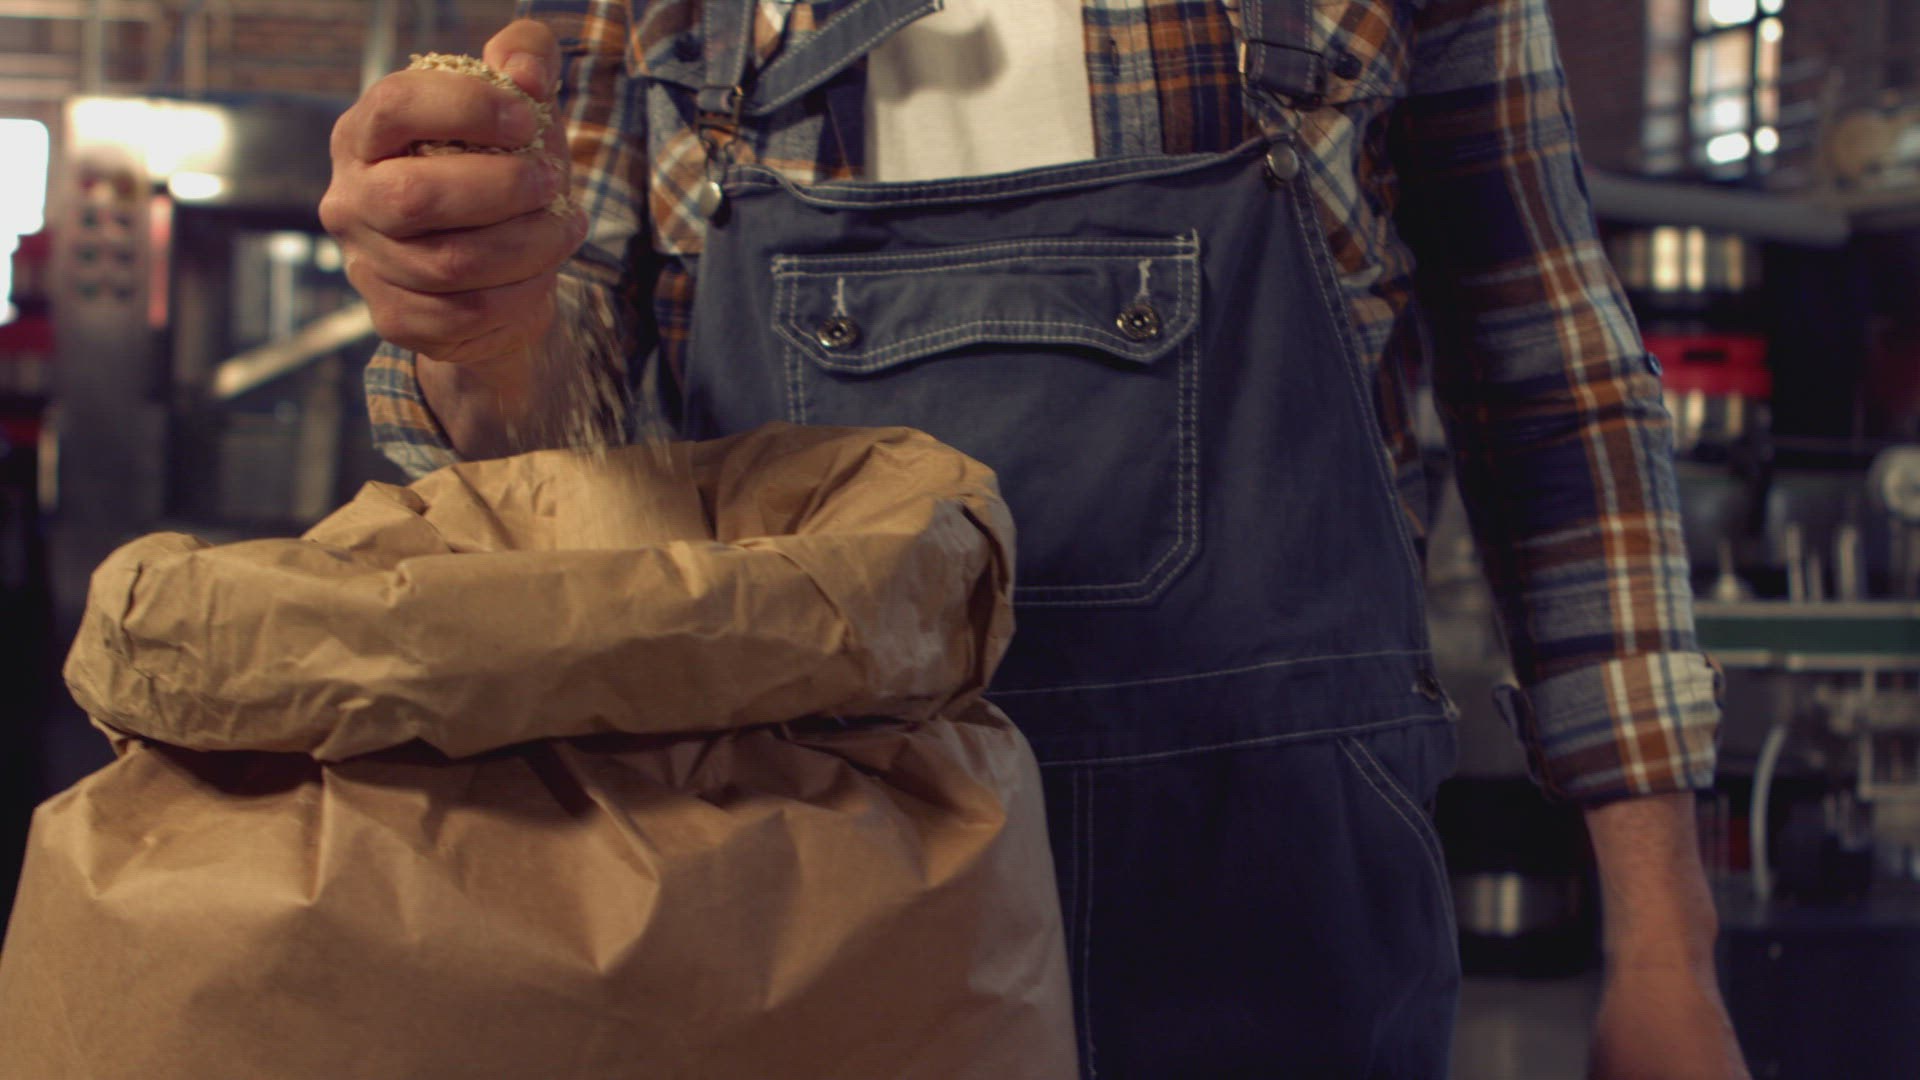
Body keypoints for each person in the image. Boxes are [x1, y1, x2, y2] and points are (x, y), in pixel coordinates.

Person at [323, 1, 1750, 1075]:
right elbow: (552, 428)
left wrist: (1665, 953)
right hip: (808, 921)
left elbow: (1551, 388)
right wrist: (477, 327)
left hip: (1285, 905)